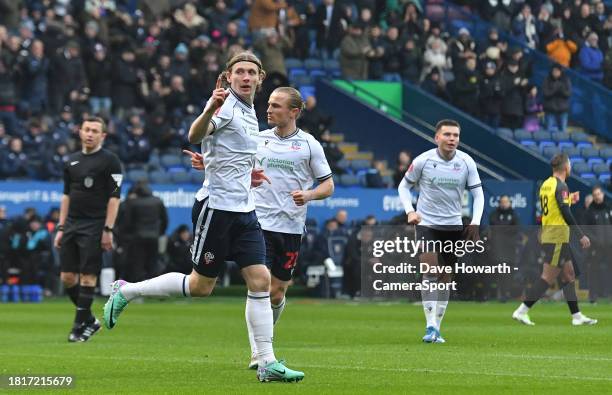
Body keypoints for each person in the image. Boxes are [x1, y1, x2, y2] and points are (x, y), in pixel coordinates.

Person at [102, 52, 305, 383]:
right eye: (239, 71)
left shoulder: (251, 112)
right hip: (217, 209)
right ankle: (127, 291)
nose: (245, 77)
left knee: (261, 281)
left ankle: (266, 362)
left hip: (244, 210)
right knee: (200, 286)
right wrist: (210, 107)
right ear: (228, 76)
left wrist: (242, 172)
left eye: (251, 72)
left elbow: (227, 152)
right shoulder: (225, 107)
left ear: (260, 77)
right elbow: (196, 133)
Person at [186, 86, 334, 370]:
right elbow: (234, 165)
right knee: (259, 283)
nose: (268, 109)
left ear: (294, 112)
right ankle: (260, 353)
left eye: (277, 106)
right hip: (257, 222)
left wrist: (310, 195)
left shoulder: (309, 145)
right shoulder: (257, 139)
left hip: (290, 227)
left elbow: (328, 184)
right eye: (268, 104)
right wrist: (206, 164)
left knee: (277, 292)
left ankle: (266, 340)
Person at [398, 119, 484, 343]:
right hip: (427, 223)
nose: (452, 139)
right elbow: (403, 186)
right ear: (437, 137)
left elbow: (478, 194)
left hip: (453, 225)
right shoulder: (423, 160)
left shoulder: (466, 162)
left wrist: (475, 221)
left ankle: (437, 326)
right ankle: (429, 326)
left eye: (455, 135)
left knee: (446, 276)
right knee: (430, 271)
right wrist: (410, 211)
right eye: (447, 135)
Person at [54, 116, 122, 342]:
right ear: (80, 132)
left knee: (87, 277)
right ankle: (90, 320)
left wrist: (108, 229)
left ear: (103, 135)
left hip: (95, 225)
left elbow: (115, 198)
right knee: (67, 277)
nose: (90, 134)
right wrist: (61, 227)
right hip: (72, 224)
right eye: (87, 130)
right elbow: (66, 196)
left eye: (95, 131)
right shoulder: (71, 161)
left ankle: (77, 327)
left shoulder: (111, 161)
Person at [512, 154, 597, 326]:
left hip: (550, 234)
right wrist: (581, 235)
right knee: (547, 277)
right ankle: (522, 311)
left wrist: (570, 199)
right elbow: (565, 212)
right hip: (557, 236)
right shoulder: (562, 185)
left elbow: (554, 207)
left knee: (568, 274)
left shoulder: (547, 184)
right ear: (566, 167)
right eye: (570, 165)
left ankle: (577, 316)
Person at [584, 185, 612, 303]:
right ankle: (593, 297)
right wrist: (595, 241)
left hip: (609, 246)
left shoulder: (608, 209)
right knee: (593, 271)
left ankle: (610, 295)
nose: (597, 197)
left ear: (603, 195)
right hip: (596, 247)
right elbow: (587, 230)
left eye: (599, 194)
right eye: (595, 195)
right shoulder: (590, 212)